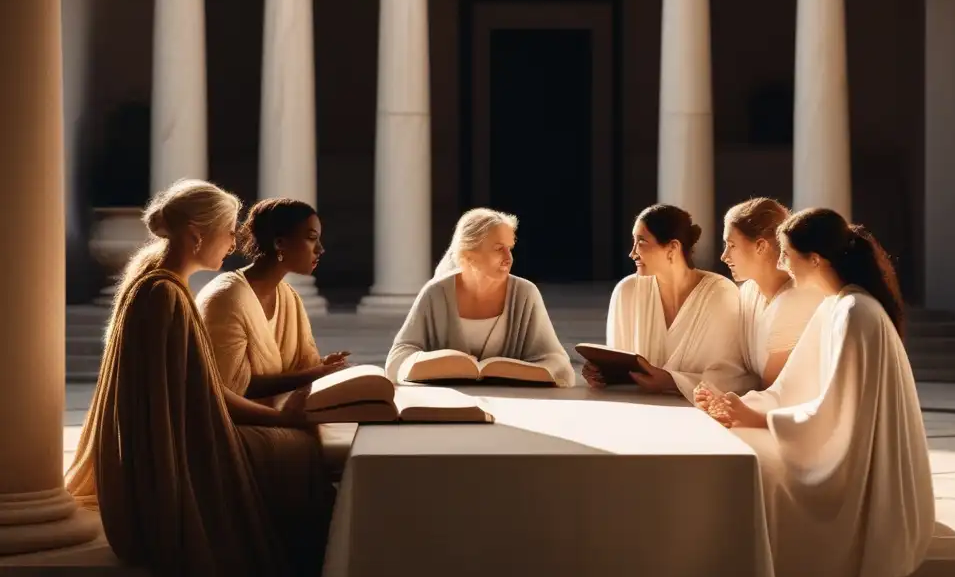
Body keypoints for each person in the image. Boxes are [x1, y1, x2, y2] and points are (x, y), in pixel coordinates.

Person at [65, 180, 333, 577]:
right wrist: (277, 417)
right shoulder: (165, 294)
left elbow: (199, 390)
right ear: (195, 235)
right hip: (174, 450)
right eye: (229, 230)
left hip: (182, 429)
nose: (235, 241)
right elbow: (209, 397)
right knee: (299, 447)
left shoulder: (164, 288)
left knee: (301, 441)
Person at [704, 208, 934, 577]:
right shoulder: (834, 307)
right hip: (826, 441)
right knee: (738, 445)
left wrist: (755, 420)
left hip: (855, 469)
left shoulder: (855, 313)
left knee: (755, 465)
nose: (780, 263)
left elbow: (835, 414)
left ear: (816, 259)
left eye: (787, 254)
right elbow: (791, 389)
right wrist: (742, 408)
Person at [581, 204, 758, 401]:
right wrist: (603, 373)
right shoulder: (627, 291)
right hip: (636, 408)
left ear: (673, 247)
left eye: (641, 242)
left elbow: (736, 378)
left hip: (702, 415)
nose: (632, 253)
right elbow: (620, 363)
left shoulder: (721, 294)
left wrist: (670, 381)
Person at [195, 198, 351, 418]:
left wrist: (324, 366)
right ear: (280, 244)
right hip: (236, 423)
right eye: (311, 238)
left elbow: (299, 366)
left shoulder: (289, 297)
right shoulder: (226, 298)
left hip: (278, 412)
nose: (320, 249)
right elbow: (227, 390)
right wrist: (314, 374)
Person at [385, 208, 575, 387]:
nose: (509, 258)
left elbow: (559, 365)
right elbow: (397, 360)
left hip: (517, 404)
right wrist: (440, 362)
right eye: (498, 248)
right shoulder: (435, 293)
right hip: (449, 404)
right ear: (468, 255)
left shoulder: (525, 293)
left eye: (510, 248)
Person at [718, 197, 822, 385]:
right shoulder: (749, 292)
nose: (724, 256)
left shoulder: (799, 299)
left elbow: (776, 388)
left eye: (732, 245)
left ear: (761, 246)